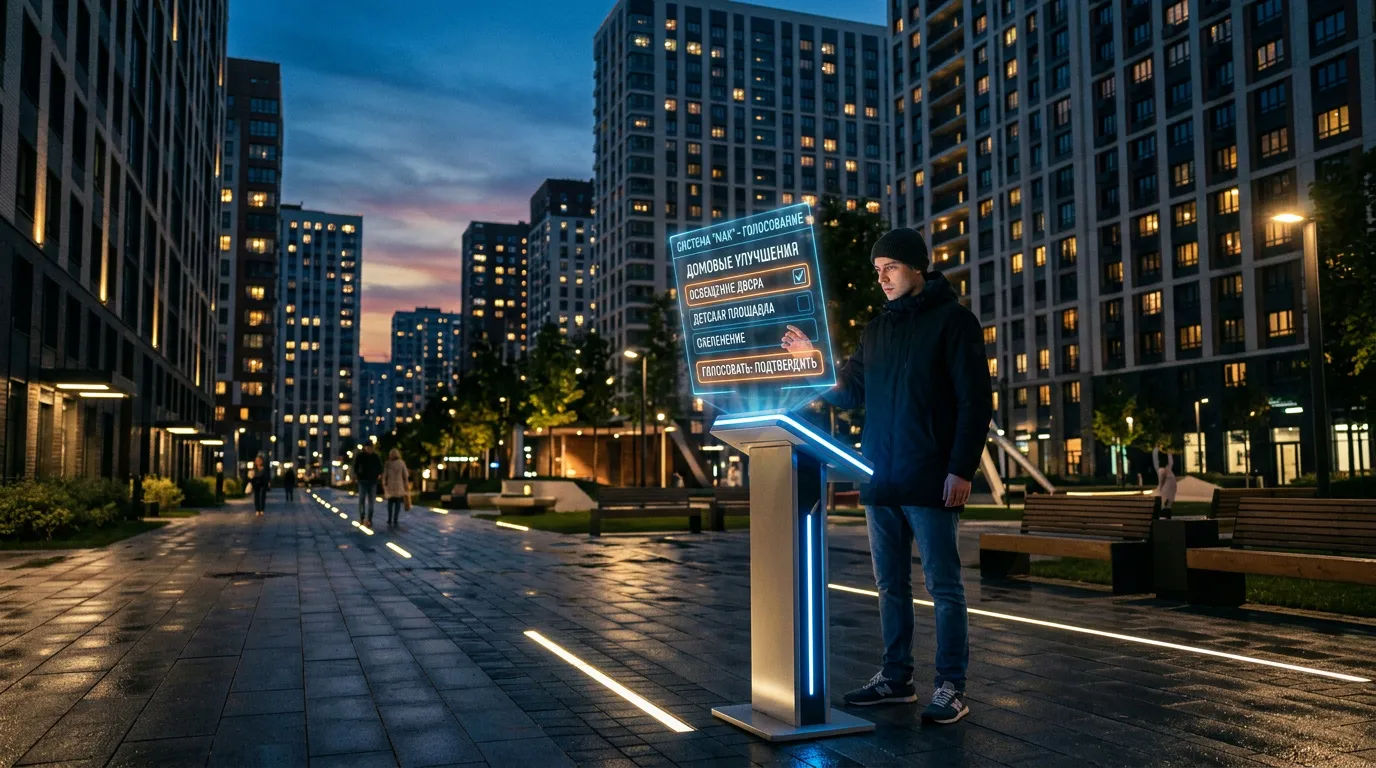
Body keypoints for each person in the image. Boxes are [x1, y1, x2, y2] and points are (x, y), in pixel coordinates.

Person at [781, 227, 991, 725]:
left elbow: (975, 401)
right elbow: (850, 392)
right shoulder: (875, 331)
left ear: (917, 266)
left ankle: (950, 687)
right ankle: (896, 679)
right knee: (889, 585)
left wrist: (961, 467)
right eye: (877, 272)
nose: (882, 279)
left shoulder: (955, 323)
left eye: (890, 268)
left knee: (944, 587)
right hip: (880, 478)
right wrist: (812, 361)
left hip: (932, 478)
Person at [354, 444, 384, 525]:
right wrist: (358, 476)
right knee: (362, 500)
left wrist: (377, 476)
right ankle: (362, 518)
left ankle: (369, 519)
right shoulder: (361, 456)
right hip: (362, 481)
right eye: (368, 447)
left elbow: (380, 469)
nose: (370, 449)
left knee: (371, 501)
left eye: (371, 447)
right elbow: (356, 467)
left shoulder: (375, 456)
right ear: (365, 448)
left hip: (372, 482)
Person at [381, 448, 410, 526]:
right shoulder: (401, 463)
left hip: (390, 487)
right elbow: (405, 475)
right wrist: (406, 486)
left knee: (390, 504)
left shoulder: (388, 463)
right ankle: (395, 519)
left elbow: (385, 476)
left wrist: (384, 485)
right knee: (397, 504)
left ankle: (389, 518)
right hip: (399, 487)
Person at [1154, 447, 1177, 514]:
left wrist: (1160, 488)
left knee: (1164, 497)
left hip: (1168, 486)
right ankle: (1166, 508)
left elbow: (1161, 482)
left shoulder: (1162, 470)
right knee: (1168, 499)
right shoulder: (1168, 470)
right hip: (1171, 486)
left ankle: (1164, 508)